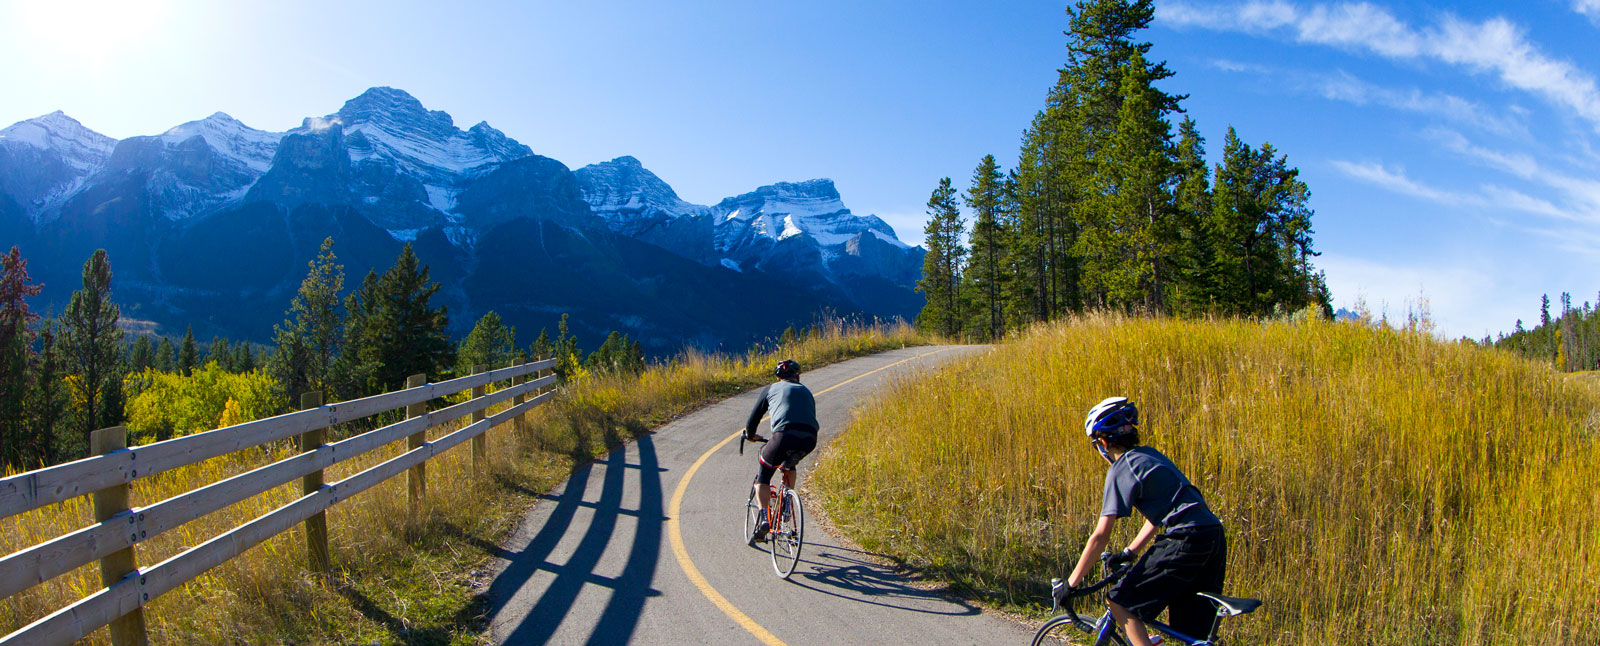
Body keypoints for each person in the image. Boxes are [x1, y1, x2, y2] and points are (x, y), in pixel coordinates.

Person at [1064, 397, 1227, 646]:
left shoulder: (1121, 467)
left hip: (1185, 537)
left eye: (1096, 443)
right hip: (1212, 534)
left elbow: (1100, 536)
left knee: (1120, 602)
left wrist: (1071, 584)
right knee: (1192, 634)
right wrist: (1130, 552)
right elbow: (1157, 516)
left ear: (1104, 442)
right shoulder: (1149, 455)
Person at [744, 358, 818, 541]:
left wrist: (751, 434)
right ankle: (786, 506)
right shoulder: (807, 392)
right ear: (797, 376)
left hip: (783, 436)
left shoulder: (770, 389)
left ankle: (764, 518)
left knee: (764, 474)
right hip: (809, 438)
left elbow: (753, 420)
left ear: (778, 378)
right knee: (790, 463)